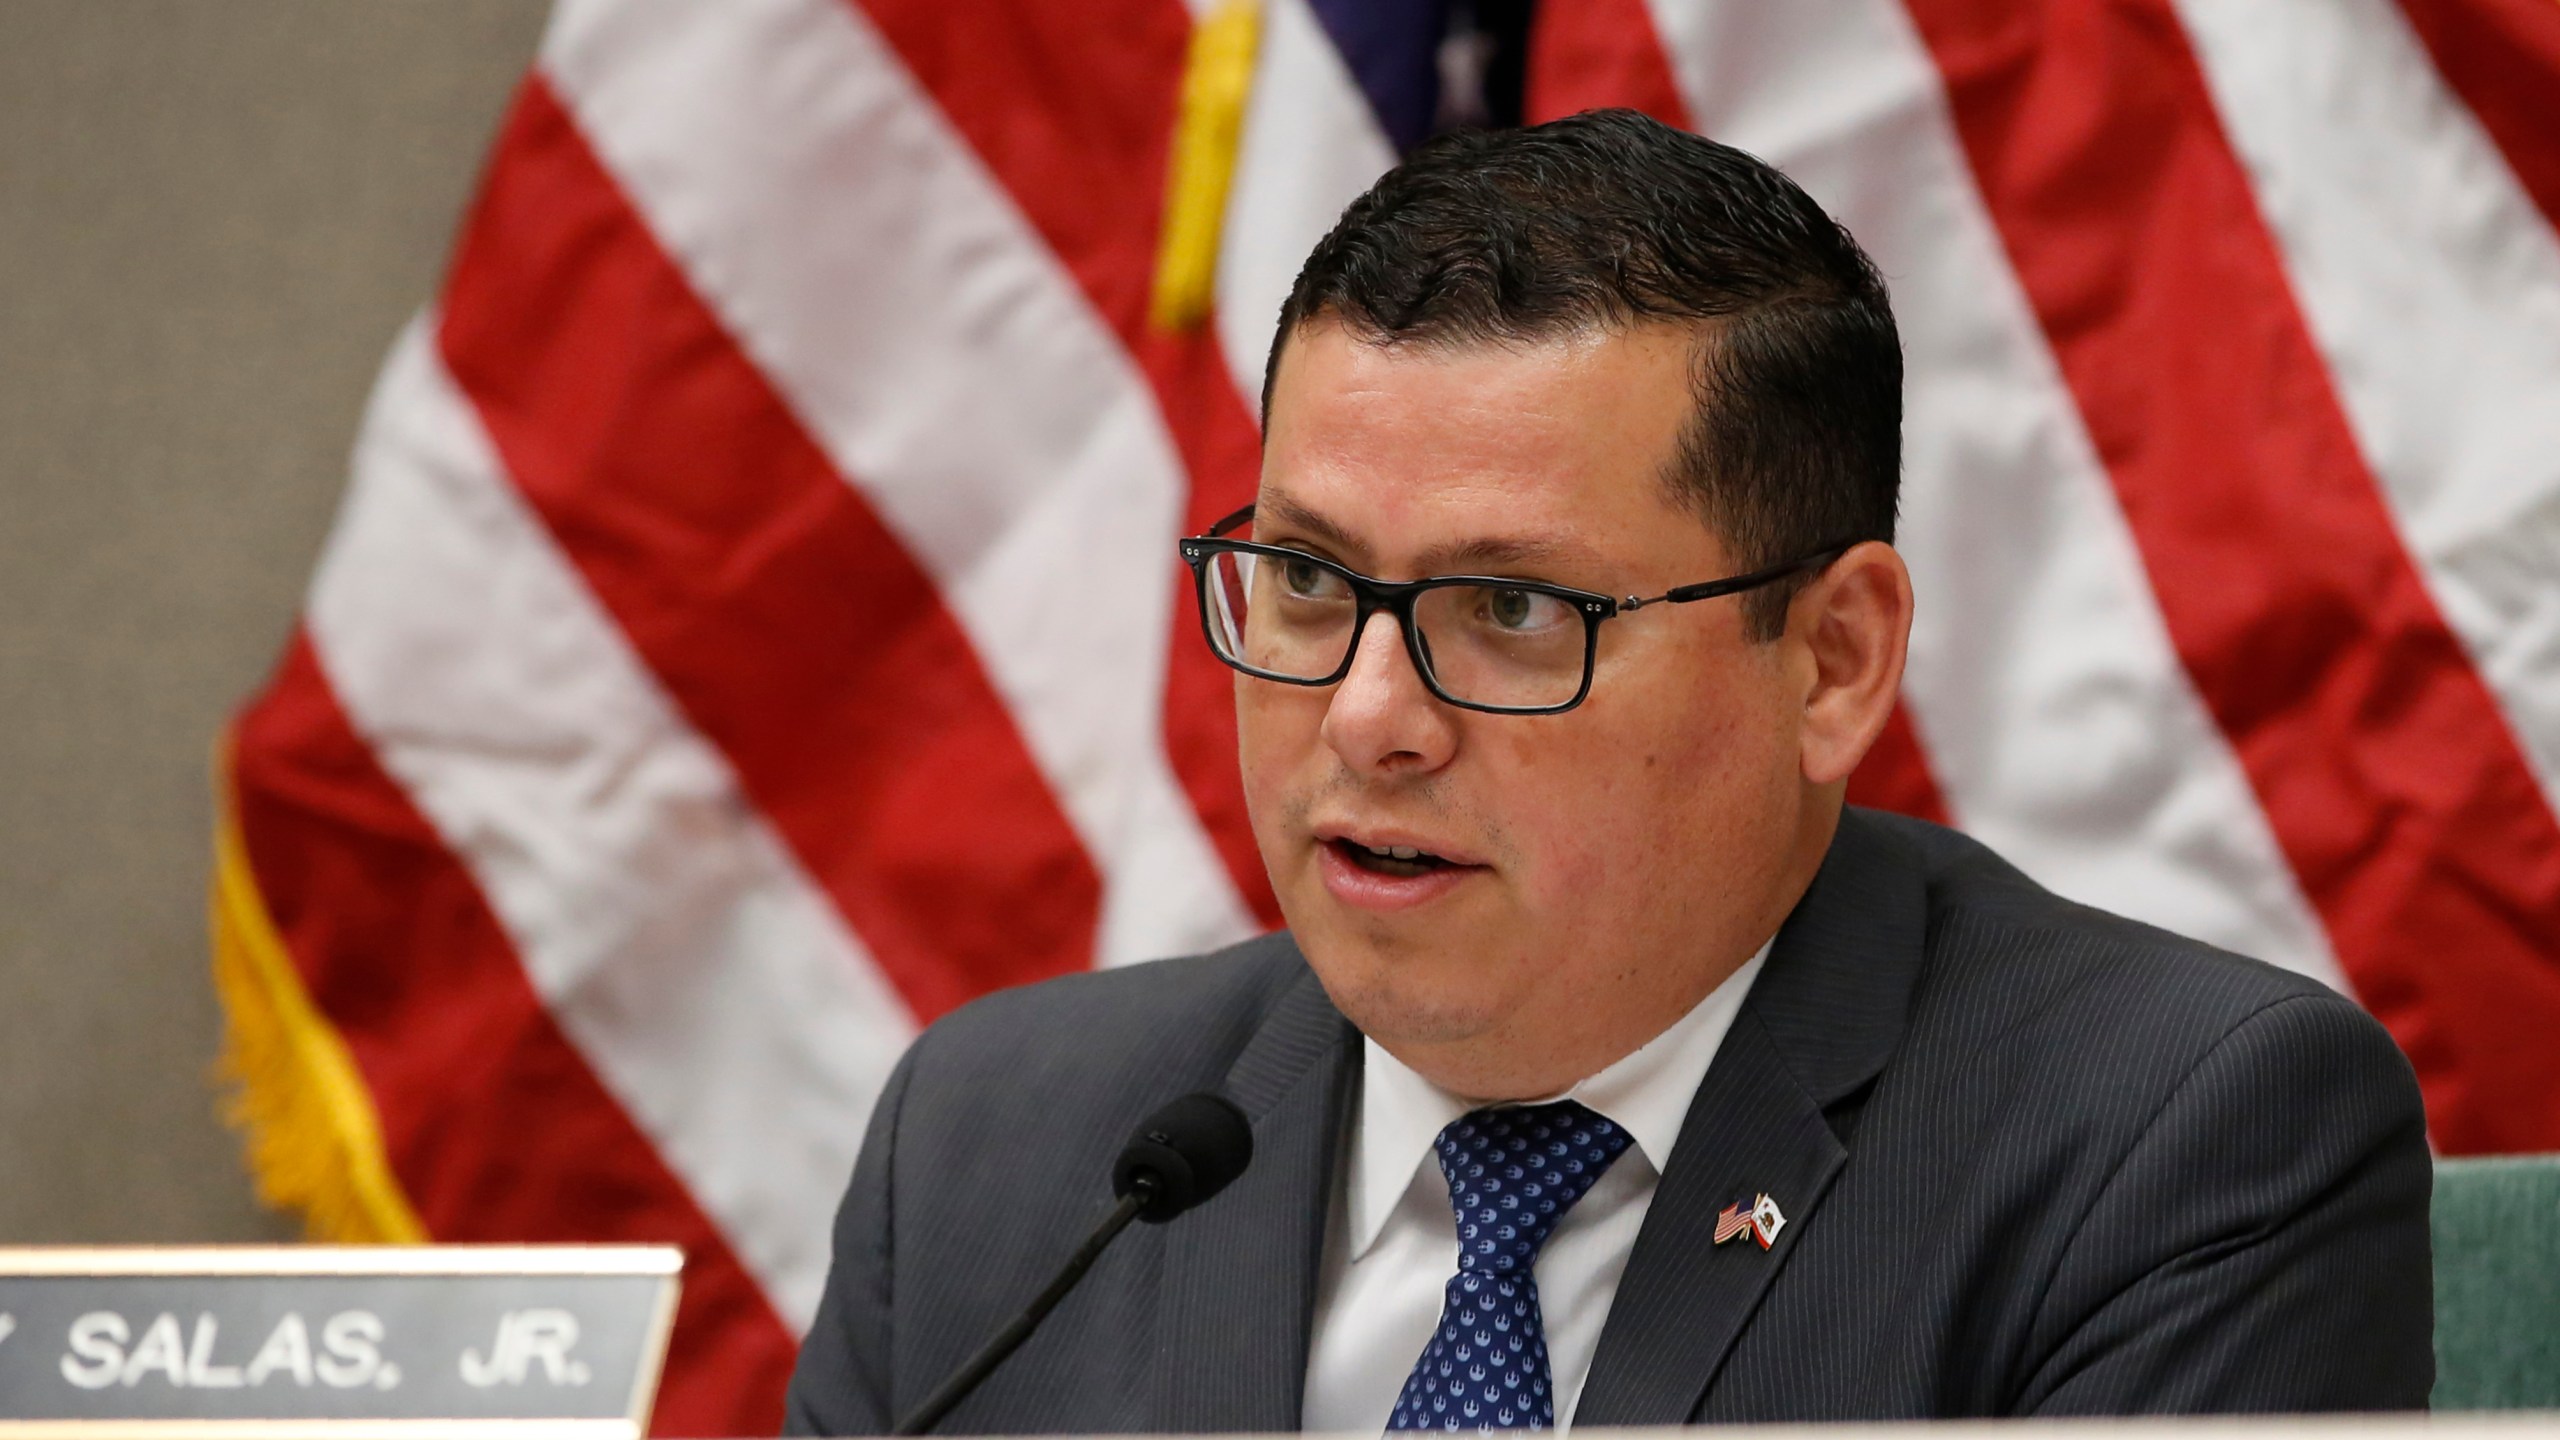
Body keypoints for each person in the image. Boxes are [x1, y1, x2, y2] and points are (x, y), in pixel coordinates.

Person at [784, 110, 2432, 1435]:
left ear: (1833, 658)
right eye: (1304, 579)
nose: (1368, 717)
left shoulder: (2172, 1147)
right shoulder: (1000, 1147)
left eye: (1509, 610)